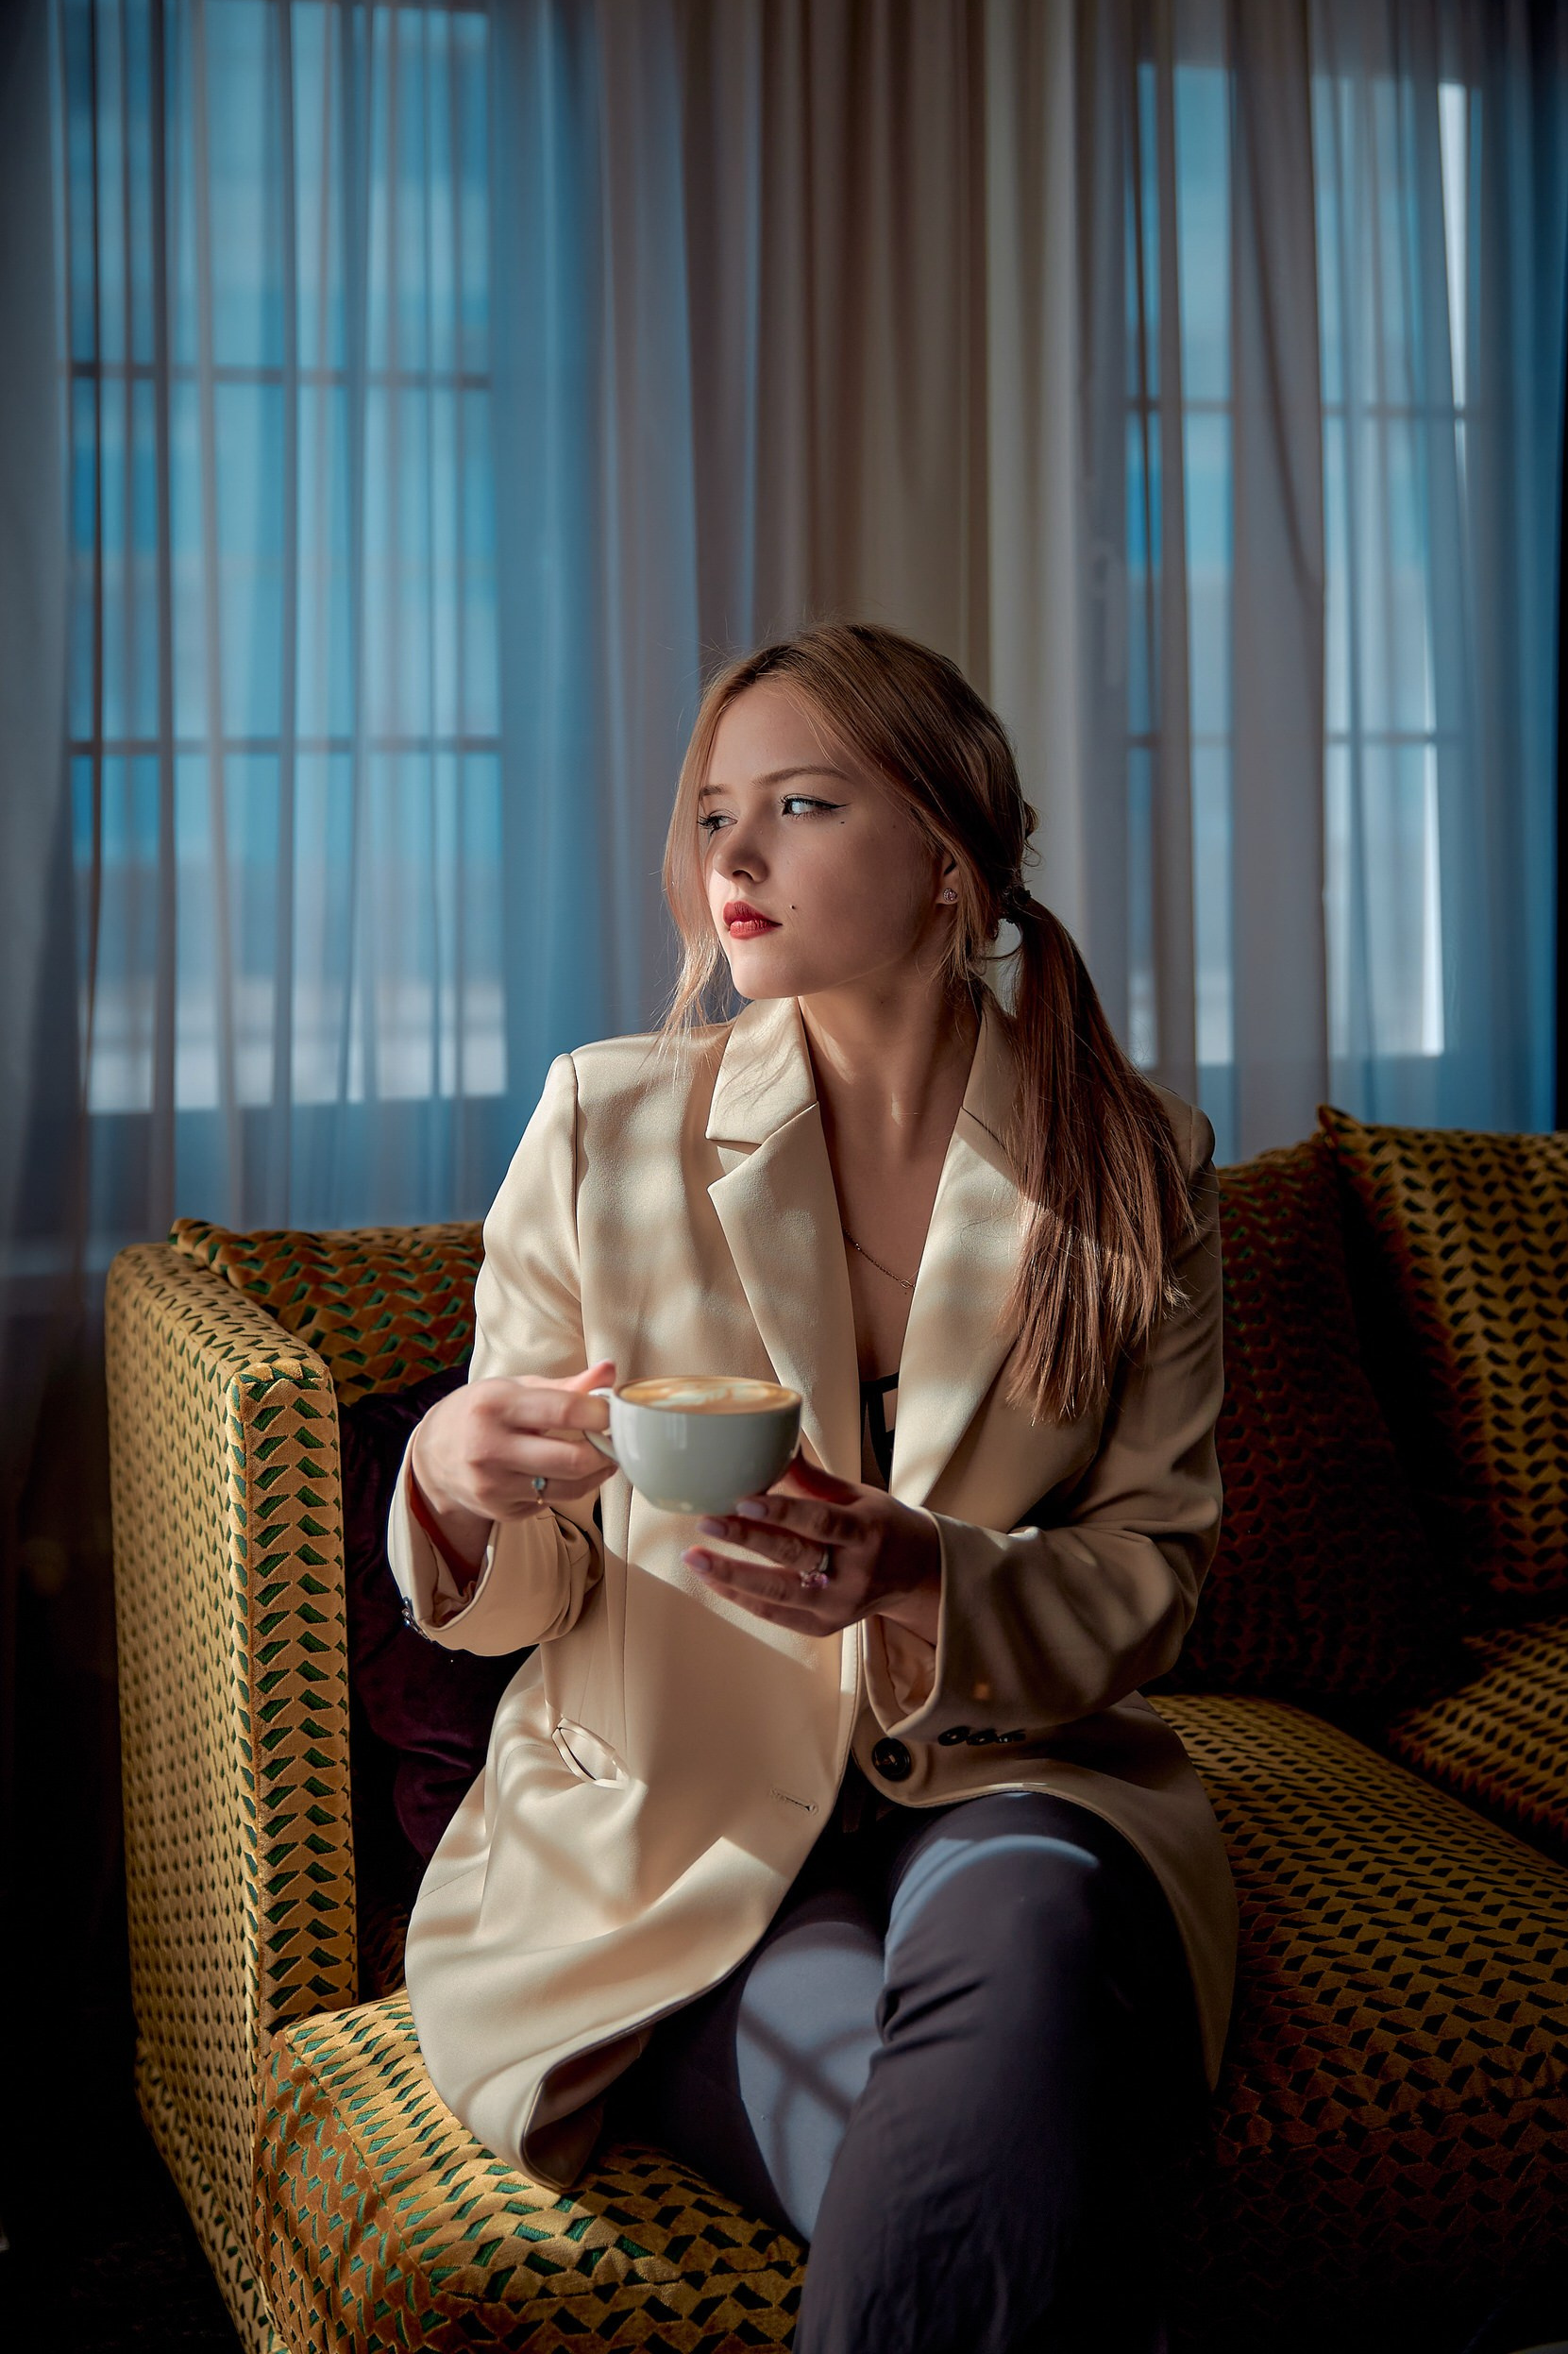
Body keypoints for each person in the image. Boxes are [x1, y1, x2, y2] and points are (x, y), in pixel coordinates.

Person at [388, 620, 1236, 2353]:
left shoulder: (1139, 1164)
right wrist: (458, 1482)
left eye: (800, 804)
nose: (736, 857)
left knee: (1035, 1941)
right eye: (715, 814)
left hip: (1003, 1772)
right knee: (933, 2144)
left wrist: (926, 1575)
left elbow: (1152, 1571)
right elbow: (531, 1595)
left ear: (946, 859)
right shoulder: (606, 1124)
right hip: (678, 1824)